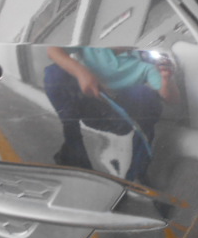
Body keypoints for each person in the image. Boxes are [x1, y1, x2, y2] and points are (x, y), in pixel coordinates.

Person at [44, 46, 179, 181]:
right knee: (54, 72)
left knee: (145, 95)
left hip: (121, 117)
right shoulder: (92, 43)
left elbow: (172, 99)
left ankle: (137, 174)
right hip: (88, 107)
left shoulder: (146, 59)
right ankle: (75, 149)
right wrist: (81, 72)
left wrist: (166, 79)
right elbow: (53, 50)